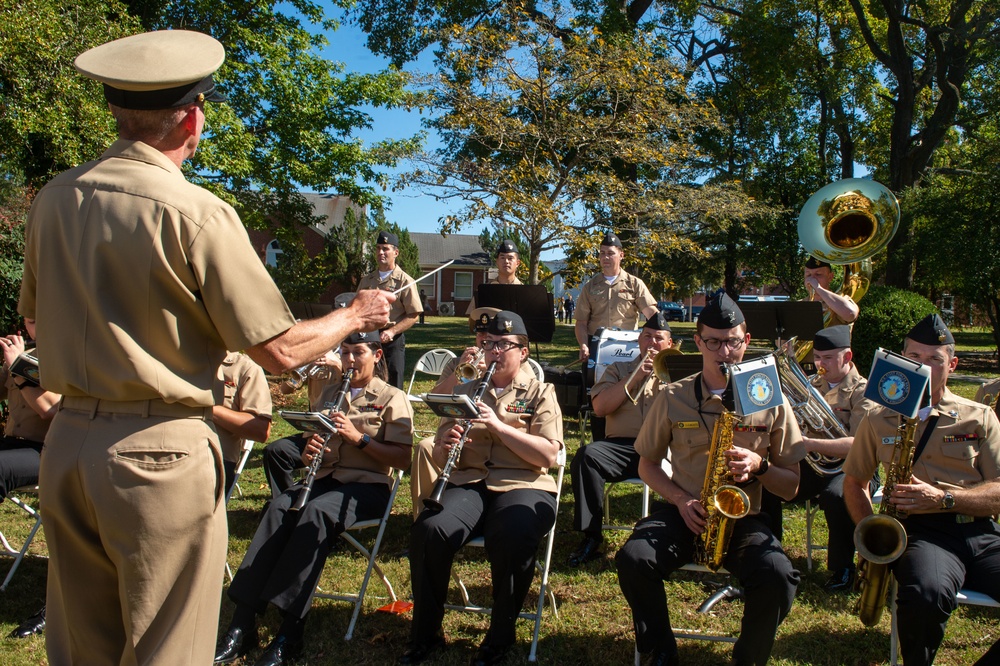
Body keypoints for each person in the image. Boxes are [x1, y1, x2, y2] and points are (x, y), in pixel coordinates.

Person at [18, 30, 393, 666]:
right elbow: (278, 351)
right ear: (192, 118)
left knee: (84, 649)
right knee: (170, 646)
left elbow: (33, 323)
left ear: (118, 110)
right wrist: (354, 312)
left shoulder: (55, 198)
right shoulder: (196, 211)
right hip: (156, 454)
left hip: (67, 442)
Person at [616, 293, 804, 666]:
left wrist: (761, 467)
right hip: (687, 510)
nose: (724, 351)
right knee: (633, 559)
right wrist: (680, 500)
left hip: (744, 518)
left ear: (746, 341)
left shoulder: (771, 399)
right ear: (698, 342)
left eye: (733, 341)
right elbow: (647, 465)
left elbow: (792, 485)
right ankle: (660, 648)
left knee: (779, 576)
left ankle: (747, 658)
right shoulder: (673, 396)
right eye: (714, 342)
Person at [214, 332, 413, 665]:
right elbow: (310, 443)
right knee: (278, 508)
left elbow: (403, 459)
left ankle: (289, 633)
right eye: (345, 353)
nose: (350, 361)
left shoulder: (392, 398)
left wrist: (359, 438)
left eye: (358, 353)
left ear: (377, 356)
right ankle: (242, 624)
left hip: (367, 487)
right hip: (324, 478)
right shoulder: (330, 394)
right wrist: (308, 452)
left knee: (316, 514)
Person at [401, 311, 563, 666]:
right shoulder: (466, 389)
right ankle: (425, 634)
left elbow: (549, 455)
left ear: (523, 351)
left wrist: (499, 426)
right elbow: (443, 440)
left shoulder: (541, 392)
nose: (494, 351)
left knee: (513, 534)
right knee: (429, 530)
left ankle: (499, 637)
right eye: (488, 343)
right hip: (471, 480)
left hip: (525, 483)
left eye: (504, 344)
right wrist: (446, 442)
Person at [843, 314, 1000, 666]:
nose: (924, 368)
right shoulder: (877, 417)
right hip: (923, 534)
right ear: (900, 360)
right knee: (924, 597)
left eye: (934, 359)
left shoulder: (979, 416)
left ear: (953, 364)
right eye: (914, 358)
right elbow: (854, 482)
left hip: (981, 531)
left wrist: (946, 497)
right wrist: (873, 536)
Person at [759, 325, 870, 591]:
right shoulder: (810, 385)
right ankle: (770, 555)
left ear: (848, 356)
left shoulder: (863, 391)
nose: (820, 364)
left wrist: (807, 443)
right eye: (817, 357)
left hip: (853, 468)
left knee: (838, 495)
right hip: (814, 466)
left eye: (828, 358)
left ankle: (844, 568)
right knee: (768, 483)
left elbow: (860, 444)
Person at [567, 311, 674, 566]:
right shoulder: (617, 369)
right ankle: (591, 536)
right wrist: (635, 376)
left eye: (659, 338)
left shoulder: (679, 374)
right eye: (646, 337)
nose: (651, 343)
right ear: (638, 341)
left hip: (665, 449)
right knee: (586, 456)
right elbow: (601, 408)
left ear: (670, 344)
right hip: (623, 447)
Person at [1, 320, 61, 640]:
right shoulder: (24, 354)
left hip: (45, 450)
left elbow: (49, 409)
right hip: (13, 445)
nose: (32, 321)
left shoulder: (66, 354)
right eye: (28, 316)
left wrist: (18, 365)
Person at [410, 307, 498, 519]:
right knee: (424, 447)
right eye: (479, 335)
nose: (483, 340)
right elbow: (435, 399)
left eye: (488, 337)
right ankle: (422, 516)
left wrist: (489, 372)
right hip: (454, 432)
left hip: (487, 435)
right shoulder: (456, 364)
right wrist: (461, 370)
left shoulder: (503, 365)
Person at [263, 349, 341, 498]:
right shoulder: (317, 355)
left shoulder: (354, 355)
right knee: (275, 451)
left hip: (342, 435)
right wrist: (299, 372)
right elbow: (284, 390)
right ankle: (284, 501)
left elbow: (360, 384)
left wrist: (338, 364)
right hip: (316, 433)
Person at [574, 232, 658, 362]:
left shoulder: (635, 284)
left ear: (621, 255)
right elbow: (581, 322)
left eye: (610, 253)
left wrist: (659, 337)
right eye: (602, 253)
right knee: (594, 382)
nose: (605, 257)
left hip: (627, 347)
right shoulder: (590, 287)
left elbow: (652, 315)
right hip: (595, 348)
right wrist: (583, 345)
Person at [357, 230, 423, 389]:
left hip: (392, 340)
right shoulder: (366, 281)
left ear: (396, 252)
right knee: (367, 381)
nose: (381, 252)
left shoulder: (405, 281)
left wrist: (392, 331)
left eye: (385, 248)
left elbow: (413, 314)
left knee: (394, 382)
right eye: (378, 248)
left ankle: (393, 412)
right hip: (368, 338)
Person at [215, 351, 273, 496]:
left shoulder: (246, 368)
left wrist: (206, 408)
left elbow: (261, 430)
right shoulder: (177, 359)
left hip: (215, 461)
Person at [466, 238, 522, 318]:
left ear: (517, 263)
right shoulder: (484, 291)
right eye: (502, 257)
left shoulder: (524, 292)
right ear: (497, 262)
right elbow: (472, 320)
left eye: (510, 258)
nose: (506, 261)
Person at [803, 257, 859, 327]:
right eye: (808, 275)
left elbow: (851, 314)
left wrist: (818, 288)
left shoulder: (841, 299)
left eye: (818, 274)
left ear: (830, 277)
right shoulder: (798, 305)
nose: (812, 279)